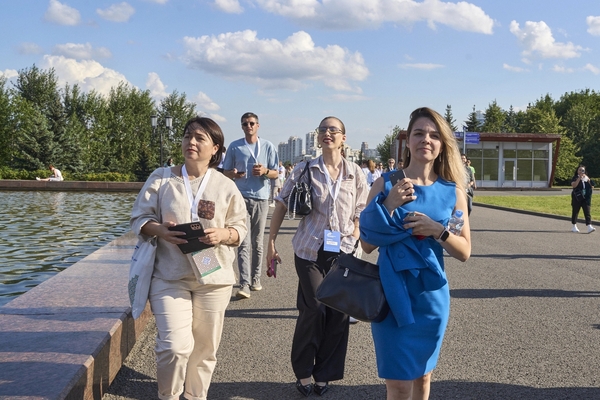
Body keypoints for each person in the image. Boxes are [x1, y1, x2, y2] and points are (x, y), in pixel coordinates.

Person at [130, 116, 247, 400]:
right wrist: (159, 230)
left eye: (199, 138)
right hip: (170, 275)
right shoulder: (162, 178)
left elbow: (241, 228)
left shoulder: (225, 185)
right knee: (174, 346)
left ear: (215, 148)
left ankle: (195, 396)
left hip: (213, 276)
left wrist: (223, 234)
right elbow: (138, 219)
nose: (190, 142)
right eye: (187, 136)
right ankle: (168, 396)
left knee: (205, 350)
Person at [360, 107, 471, 400]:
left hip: (431, 299)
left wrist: (439, 230)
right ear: (407, 140)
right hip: (391, 295)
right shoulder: (385, 183)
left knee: (423, 377)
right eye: (419, 133)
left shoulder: (453, 192)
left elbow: (464, 251)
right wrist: (389, 205)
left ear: (442, 145)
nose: (427, 139)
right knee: (397, 383)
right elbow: (366, 243)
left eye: (434, 135)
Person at [267, 116, 369, 397]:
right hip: (309, 249)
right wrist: (271, 241)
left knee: (337, 313)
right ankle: (302, 370)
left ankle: (324, 374)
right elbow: (281, 203)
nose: (327, 133)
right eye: (323, 130)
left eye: (333, 130)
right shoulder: (305, 169)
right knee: (313, 307)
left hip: (343, 251)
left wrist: (357, 232)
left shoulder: (355, 172)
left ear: (343, 138)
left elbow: (362, 207)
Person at [222, 112, 279, 298]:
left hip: (261, 198)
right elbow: (225, 173)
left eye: (252, 123)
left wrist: (265, 171)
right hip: (240, 198)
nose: (249, 126)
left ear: (258, 125)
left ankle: (256, 279)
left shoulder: (268, 146)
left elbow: (276, 173)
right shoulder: (235, 146)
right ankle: (244, 283)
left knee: (257, 242)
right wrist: (234, 174)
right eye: (245, 124)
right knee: (243, 242)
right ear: (242, 126)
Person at [571, 164, 595, 233]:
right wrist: (579, 178)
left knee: (587, 211)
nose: (581, 171)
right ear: (577, 171)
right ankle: (574, 225)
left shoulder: (586, 178)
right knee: (575, 211)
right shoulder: (575, 177)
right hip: (577, 197)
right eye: (580, 170)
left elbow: (592, 186)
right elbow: (574, 185)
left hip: (585, 198)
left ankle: (589, 226)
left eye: (583, 170)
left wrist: (588, 180)